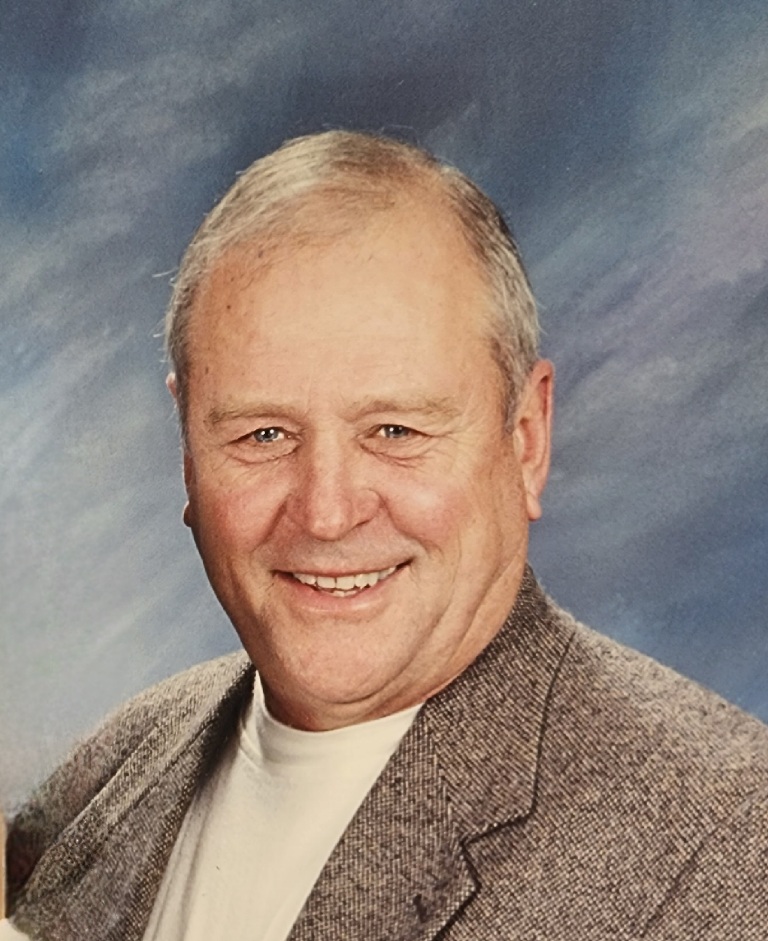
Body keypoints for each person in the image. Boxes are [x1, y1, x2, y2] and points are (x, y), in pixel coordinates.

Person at [6, 131, 768, 940]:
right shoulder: (114, 765)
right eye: (264, 434)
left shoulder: (726, 845)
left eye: (396, 430)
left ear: (526, 439)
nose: (327, 512)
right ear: (188, 454)